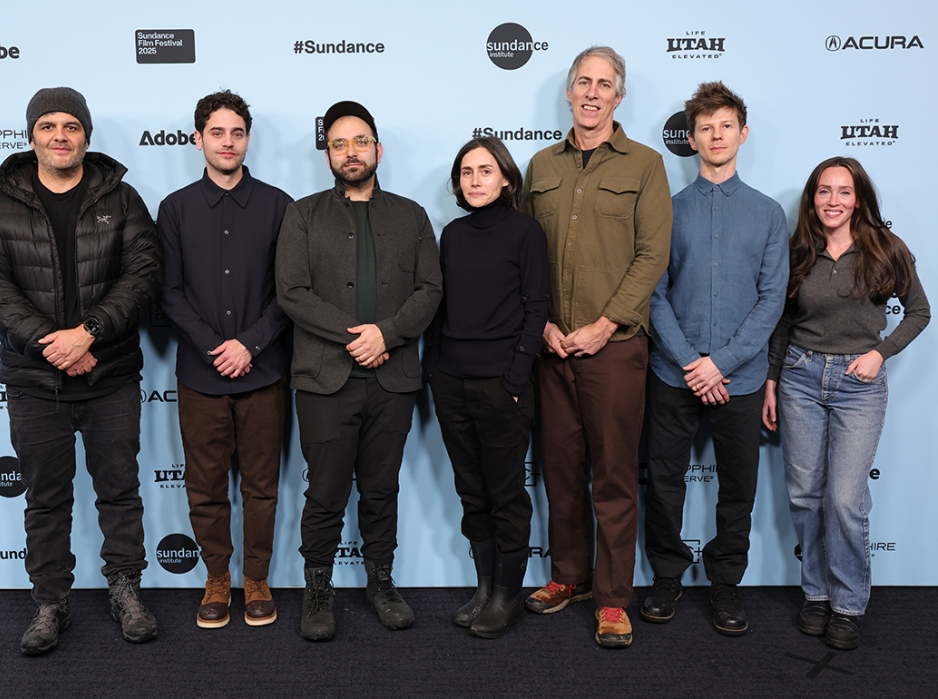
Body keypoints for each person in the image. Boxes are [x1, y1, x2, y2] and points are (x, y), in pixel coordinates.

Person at [0, 87, 162, 655]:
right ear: (31, 136)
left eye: (71, 126)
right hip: (35, 381)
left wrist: (89, 333)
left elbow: (143, 273)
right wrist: (51, 344)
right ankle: (51, 603)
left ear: (86, 135)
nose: (59, 135)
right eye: (48, 125)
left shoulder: (122, 199)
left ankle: (125, 590)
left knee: (119, 493)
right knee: (46, 499)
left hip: (111, 375)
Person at [521, 46, 672, 648]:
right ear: (568, 91)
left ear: (619, 96)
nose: (591, 92)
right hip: (551, 349)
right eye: (582, 82)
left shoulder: (646, 165)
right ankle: (568, 576)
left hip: (614, 350)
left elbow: (651, 256)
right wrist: (541, 326)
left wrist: (607, 324)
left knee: (611, 476)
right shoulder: (539, 166)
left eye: (603, 84)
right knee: (559, 471)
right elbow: (524, 253)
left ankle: (612, 599)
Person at [276, 101, 442, 641]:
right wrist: (358, 337)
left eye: (361, 141)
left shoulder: (412, 215)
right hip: (325, 379)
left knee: (380, 488)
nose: (351, 152)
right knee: (324, 490)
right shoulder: (302, 215)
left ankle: (381, 581)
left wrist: (386, 335)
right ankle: (318, 588)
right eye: (340, 143)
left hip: (393, 381)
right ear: (327, 154)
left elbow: (430, 291)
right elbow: (292, 293)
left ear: (378, 149)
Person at [763, 157, 929, 650]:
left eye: (843, 191)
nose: (832, 201)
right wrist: (772, 382)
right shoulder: (799, 252)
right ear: (812, 198)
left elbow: (919, 312)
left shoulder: (886, 248)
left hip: (859, 383)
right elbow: (783, 324)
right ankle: (816, 595)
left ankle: (849, 603)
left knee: (844, 500)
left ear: (859, 199)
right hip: (799, 377)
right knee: (804, 495)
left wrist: (881, 353)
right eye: (823, 191)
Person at [643, 82, 789, 636]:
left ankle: (727, 584)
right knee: (663, 481)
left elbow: (771, 300)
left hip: (743, 380)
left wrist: (719, 364)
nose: (716, 135)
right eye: (706, 128)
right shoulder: (665, 211)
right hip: (673, 374)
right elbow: (653, 295)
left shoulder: (770, 214)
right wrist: (691, 363)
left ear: (742, 133)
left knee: (738, 487)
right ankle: (665, 578)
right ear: (693, 138)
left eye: (726, 126)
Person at [157, 90, 293, 629]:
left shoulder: (280, 205)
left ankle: (255, 577)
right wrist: (217, 348)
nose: (228, 141)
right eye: (217, 132)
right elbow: (168, 293)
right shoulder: (174, 208)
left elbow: (290, 291)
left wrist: (249, 345)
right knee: (206, 486)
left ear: (248, 139)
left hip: (263, 373)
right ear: (198, 139)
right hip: (200, 373)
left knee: (262, 485)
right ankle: (217, 576)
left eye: (237, 132)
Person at [426, 137, 549, 638]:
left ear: (505, 178)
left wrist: (516, 378)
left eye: (485, 170)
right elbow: (439, 309)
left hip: (502, 384)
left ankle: (507, 595)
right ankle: (483, 588)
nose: (475, 180)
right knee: (470, 491)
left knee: (505, 493)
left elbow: (536, 308)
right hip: (451, 382)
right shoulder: (452, 234)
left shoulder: (526, 232)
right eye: (467, 172)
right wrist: (434, 370)